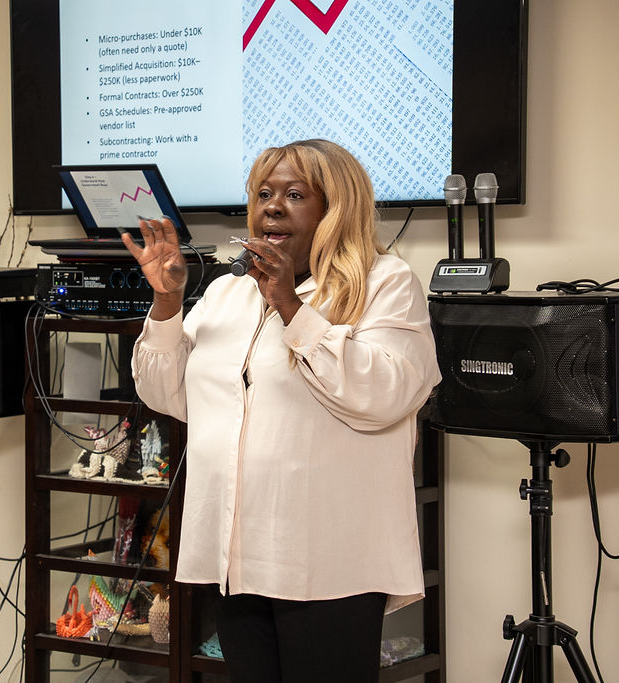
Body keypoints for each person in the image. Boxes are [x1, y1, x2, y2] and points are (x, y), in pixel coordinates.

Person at [122, 139, 442, 682]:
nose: (272, 207)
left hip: (327, 559)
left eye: (294, 195)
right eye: (264, 194)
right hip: (234, 554)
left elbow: (387, 394)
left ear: (335, 208)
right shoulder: (227, 292)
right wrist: (168, 302)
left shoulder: (384, 283)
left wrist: (290, 306)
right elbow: (166, 393)